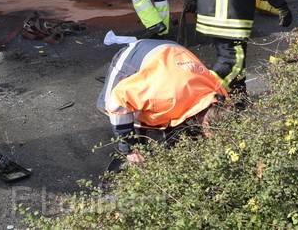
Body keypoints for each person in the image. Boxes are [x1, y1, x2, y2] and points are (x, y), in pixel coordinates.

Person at [97, 38, 230, 164]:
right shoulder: (163, 95)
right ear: (206, 124)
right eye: (212, 136)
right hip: (134, 56)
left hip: (174, 56)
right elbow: (118, 101)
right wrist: (129, 147)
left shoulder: (220, 97)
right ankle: (135, 149)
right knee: (111, 107)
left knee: (170, 116)